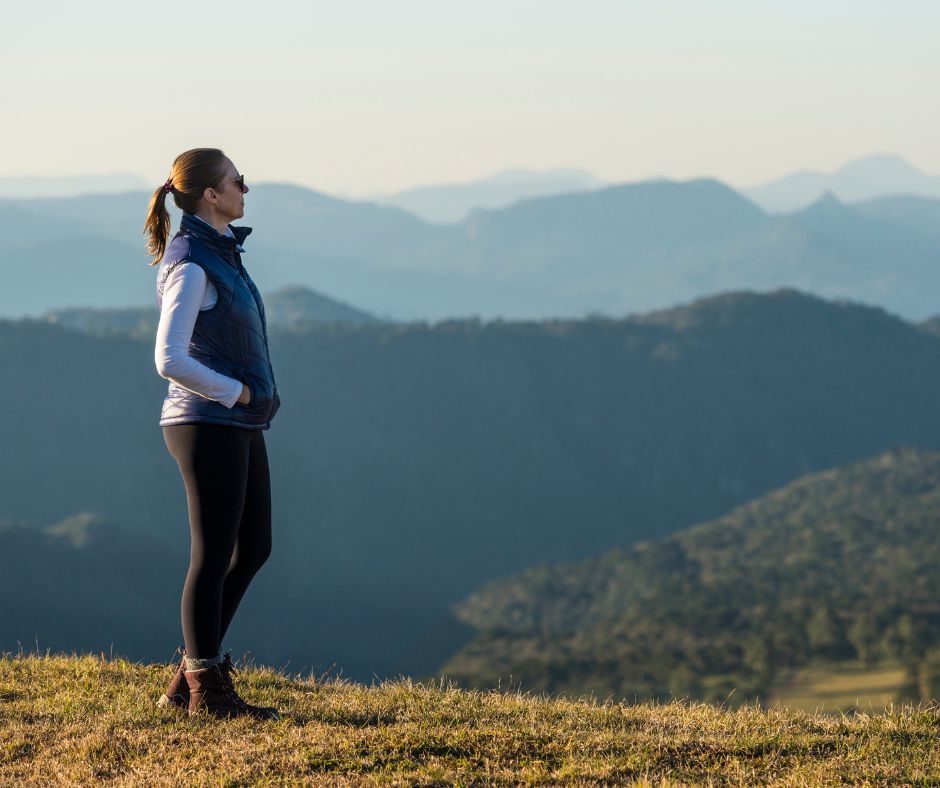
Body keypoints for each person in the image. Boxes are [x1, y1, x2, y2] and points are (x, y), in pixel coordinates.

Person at [143, 148, 282, 720]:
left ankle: (191, 676)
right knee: (213, 554)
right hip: (205, 423)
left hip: (235, 423)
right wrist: (238, 392)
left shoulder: (219, 252)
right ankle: (206, 690)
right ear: (210, 195)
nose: (245, 190)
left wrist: (245, 403)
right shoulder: (194, 263)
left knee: (254, 547)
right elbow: (168, 357)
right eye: (237, 181)